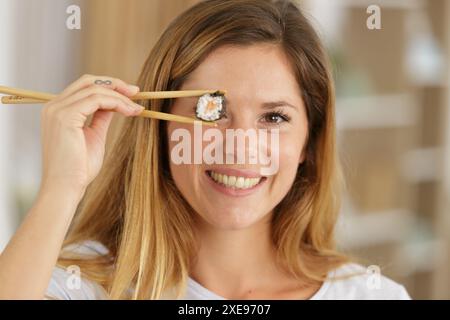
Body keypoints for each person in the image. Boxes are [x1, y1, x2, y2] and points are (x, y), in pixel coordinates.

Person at [0, 0, 410, 300]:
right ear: (160, 126)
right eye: (210, 110)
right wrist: (61, 186)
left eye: (274, 118)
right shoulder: (81, 284)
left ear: (309, 142)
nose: (239, 145)